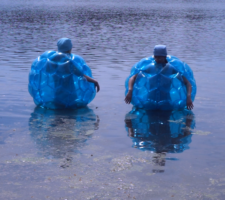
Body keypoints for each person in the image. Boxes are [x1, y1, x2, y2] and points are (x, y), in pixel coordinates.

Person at [124, 45, 193, 110]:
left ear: (165, 56)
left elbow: (187, 83)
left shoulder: (171, 69)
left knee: (166, 121)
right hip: (150, 100)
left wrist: (188, 97)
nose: (158, 59)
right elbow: (132, 78)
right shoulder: (150, 68)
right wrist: (130, 91)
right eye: (156, 57)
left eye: (160, 57)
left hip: (166, 100)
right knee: (150, 121)